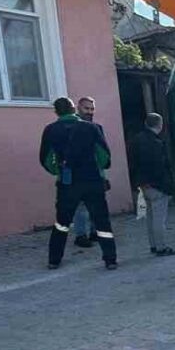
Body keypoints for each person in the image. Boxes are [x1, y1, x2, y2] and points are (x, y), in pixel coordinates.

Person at [39, 97, 116, 270]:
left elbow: (46, 159)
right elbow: (103, 156)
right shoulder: (92, 128)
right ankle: (110, 259)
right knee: (102, 221)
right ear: (74, 109)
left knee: (62, 223)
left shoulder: (50, 130)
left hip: (67, 183)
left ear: (56, 112)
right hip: (92, 181)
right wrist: (98, 168)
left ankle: (54, 260)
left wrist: (59, 171)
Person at [129, 112, 175, 257]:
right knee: (159, 218)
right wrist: (166, 185)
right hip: (157, 185)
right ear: (160, 125)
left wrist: (139, 182)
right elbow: (159, 166)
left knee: (150, 217)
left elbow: (133, 163)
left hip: (143, 184)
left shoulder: (137, 139)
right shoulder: (156, 142)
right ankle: (161, 246)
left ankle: (153, 245)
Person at [72, 96, 107, 248]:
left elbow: (102, 151)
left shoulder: (97, 128)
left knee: (96, 203)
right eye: (86, 108)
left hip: (95, 171)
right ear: (78, 108)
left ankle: (94, 231)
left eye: (92, 109)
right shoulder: (71, 127)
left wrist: (103, 173)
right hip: (77, 172)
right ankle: (80, 235)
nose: (90, 112)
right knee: (80, 205)